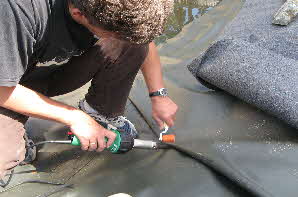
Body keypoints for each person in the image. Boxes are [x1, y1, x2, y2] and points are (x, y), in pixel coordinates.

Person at [0, 0, 178, 181]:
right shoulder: (17, 10)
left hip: (51, 70)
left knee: (132, 42)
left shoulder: (109, 11)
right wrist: (74, 117)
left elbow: (142, 37)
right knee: (6, 155)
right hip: (9, 87)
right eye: (111, 33)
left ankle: (99, 112)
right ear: (79, 14)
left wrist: (159, 95)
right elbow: (2, 90)